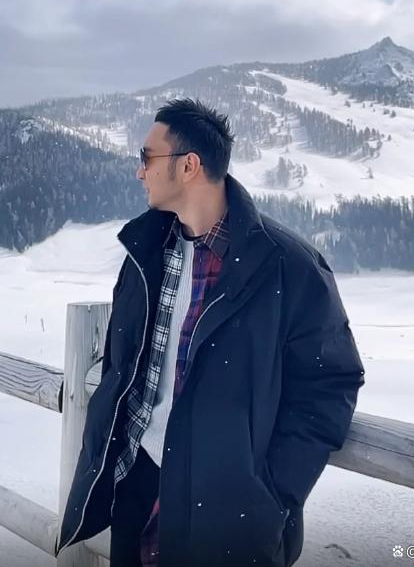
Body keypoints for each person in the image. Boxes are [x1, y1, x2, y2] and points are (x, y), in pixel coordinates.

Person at [56, 98, 365, 567]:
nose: (140, 171)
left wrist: (270, 492)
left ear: (189, 166)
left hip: (223, 510)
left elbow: (330, 383)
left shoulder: (287, 266)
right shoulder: (146, 252)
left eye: (147, 157)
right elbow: (123, 366)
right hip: (136, 485)